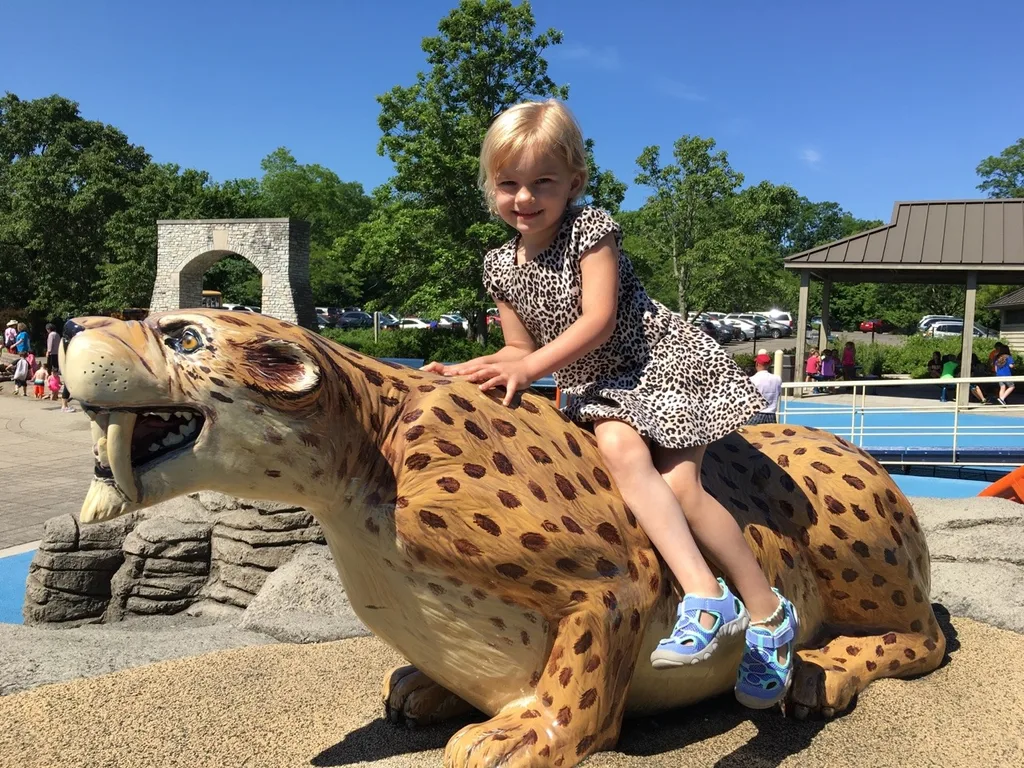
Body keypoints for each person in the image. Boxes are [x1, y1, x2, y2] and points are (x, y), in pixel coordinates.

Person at [421, 99, 797, 710]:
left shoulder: (590, 232)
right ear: (490, 188)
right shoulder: (498, 266)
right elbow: (520, 345)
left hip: (658, 366)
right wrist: (478, 368)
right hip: (604, 390)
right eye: (509, 183)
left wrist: (534, 365)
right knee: (619, 446)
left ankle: (767, 613)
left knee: (681, 486)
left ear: (575, 181)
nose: (525, 197)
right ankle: (706, 593)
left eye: (543, 181)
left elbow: (597, 321)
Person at [747, 354, 782, 425]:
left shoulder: (752, 380)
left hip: (756, 414)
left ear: (757, 364)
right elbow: (779, 393)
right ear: (768, 364)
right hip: (771, 415)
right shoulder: (777, 379)